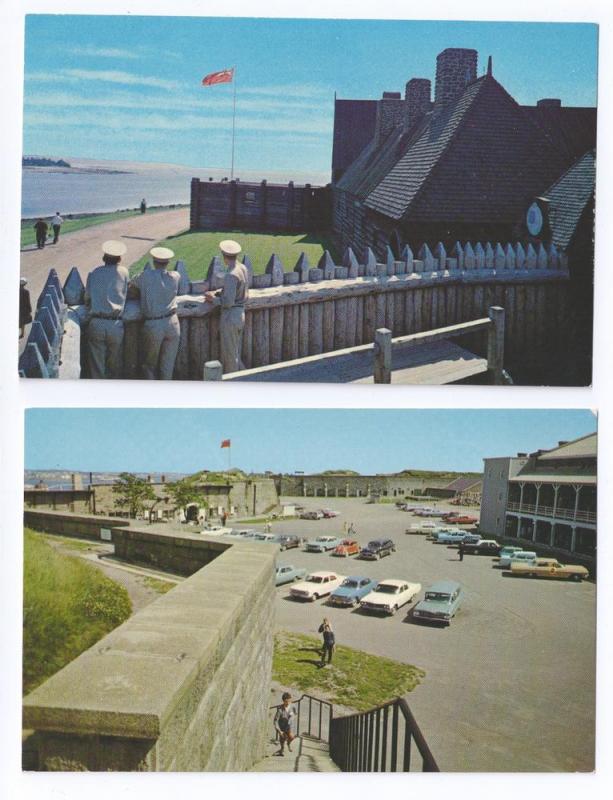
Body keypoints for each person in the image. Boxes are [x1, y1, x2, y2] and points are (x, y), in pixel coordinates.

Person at [130, 247, 180, 379]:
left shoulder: (145, 276)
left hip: (154, 324)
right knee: (167, 366)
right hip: (173, 323)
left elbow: (132, 283)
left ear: (154, 261)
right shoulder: (175, 276)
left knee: (149, 365)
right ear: (168, 262)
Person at [84, 240, 129, 379]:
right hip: (115, 324)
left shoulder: (94, 273)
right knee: (115, 364)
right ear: (119, 258)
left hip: (97, 322)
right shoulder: (124, 272)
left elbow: (87, 299)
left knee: (97, 366)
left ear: (104, 257)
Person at [204, 239, 249, 373]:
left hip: (230, 317)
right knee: (234, 354)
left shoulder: (231, 274)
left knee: (230, 358)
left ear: (224, 256)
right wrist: (219, 293)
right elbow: (237, 290)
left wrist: (213, 299)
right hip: (240, 314)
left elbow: (228, 302)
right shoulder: (242, 268)